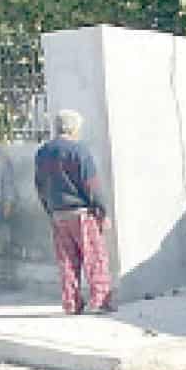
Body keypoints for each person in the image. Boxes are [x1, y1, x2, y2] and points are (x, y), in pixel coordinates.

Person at [33, 109, 115, 314]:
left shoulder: (42, 153)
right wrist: (102, 211)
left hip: (58, 213)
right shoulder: (79, 151)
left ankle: (71, 303)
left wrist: (49, 209)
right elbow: (91, 185)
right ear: (74, 128)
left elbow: (40, 186)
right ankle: (100, 300)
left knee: (67, 260)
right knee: (94, 257)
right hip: (81, 213)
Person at [0, 142, 16, 288]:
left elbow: (8, 183)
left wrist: (8, 203)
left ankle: (5, 277)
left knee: (3, 238)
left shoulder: (2, 157)